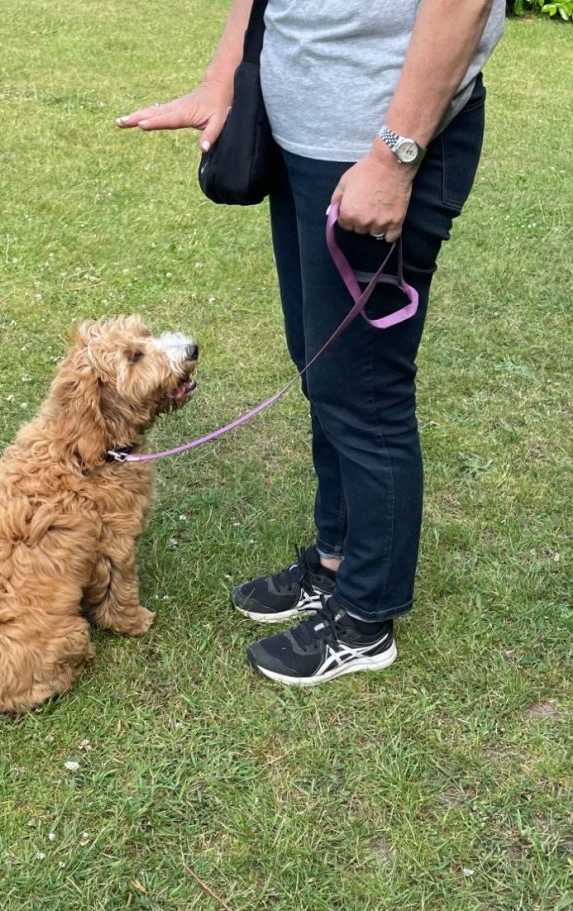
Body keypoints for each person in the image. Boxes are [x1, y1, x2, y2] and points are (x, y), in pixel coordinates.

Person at [117, 1, 504, 685]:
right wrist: (223, 79)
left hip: (377, 147)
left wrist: (394, 157)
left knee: (364, 388)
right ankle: (334, 562)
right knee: (323, 369)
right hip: (301, 139)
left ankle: (365, 618)